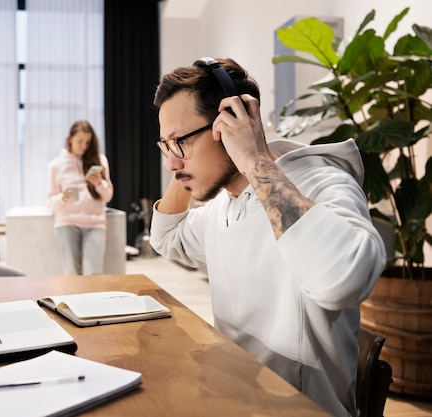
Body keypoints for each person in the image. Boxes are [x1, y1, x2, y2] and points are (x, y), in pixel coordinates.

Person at [149, 57, 386, 417]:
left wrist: (255, 159)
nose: (170, 162)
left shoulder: (321, 183)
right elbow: (167, 238)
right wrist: (183, 163)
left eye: (181, 141)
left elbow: (344, 278)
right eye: (166, 145)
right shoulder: (226, 204)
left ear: (232, 123)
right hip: (232, 394)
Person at [47, 120, 114, 275]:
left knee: (93, 275)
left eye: (87, 142)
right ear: (70, 138)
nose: (84, 146)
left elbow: (108, 195)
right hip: (67, 223)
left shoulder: (100, 160)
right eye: (80, 141)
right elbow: (50, 202)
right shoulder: (56, 165)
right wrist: (62, 198)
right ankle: (72, 300)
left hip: (95, 223)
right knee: (71, 273)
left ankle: (91, 300)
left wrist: (99, 184)